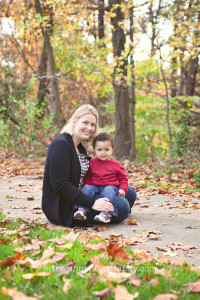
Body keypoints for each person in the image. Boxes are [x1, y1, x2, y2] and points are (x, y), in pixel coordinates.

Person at [42, 104, 137, 227]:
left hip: (84, 193)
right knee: (122, 205)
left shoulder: (79, 147)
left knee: (130, 192)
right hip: (65, 206)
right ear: (75, 121)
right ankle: (113, 212)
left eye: (93, 125)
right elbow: (60, 184)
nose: (90, 128)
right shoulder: (61, 144)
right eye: (85, 123)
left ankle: (112, 212)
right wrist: (93, 203)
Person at [74, 133, 128, 223]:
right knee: (87, 190)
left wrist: (123, 189)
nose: (103, 152)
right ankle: (81, 210)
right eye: (99, 150)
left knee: (108, 191)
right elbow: (88, 175)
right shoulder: (92, 162)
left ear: (112, 150)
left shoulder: (116, 164)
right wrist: (86, 184)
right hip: (94, 185)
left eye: (107, 150)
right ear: (94, 150)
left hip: (110, 186)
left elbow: (123, 178)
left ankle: (106, 213)